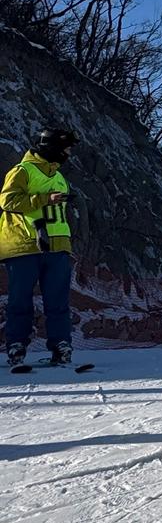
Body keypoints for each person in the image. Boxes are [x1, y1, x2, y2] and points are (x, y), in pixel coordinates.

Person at [1, 129, 80, 369]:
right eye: (66, 149)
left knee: (58, 301)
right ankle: (16, 346)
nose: (68, 154)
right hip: (25, 245)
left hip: (56, 247)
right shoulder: (22, 170)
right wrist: (44, 199)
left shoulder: (59, 176)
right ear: (52, 148)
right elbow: (7, 201)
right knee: (20, 300)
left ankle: (61, 346)